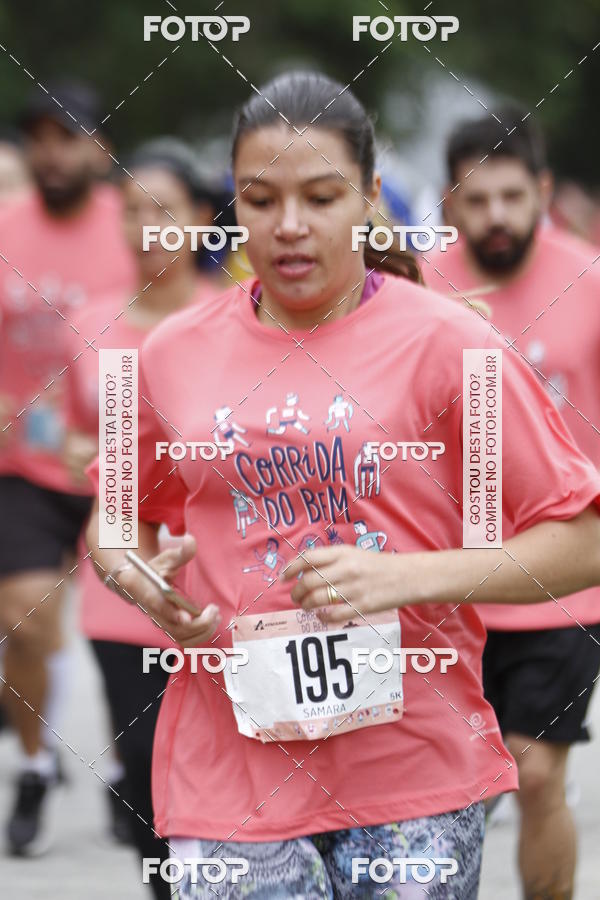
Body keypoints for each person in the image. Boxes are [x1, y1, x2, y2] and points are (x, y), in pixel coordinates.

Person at [85, 73, 600, 899]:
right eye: (261, 200)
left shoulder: (454, 344)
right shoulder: (167, 352)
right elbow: (115, 516)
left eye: (321, 198)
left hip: (411, 772)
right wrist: (137, 576)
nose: (288, 226)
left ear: (369, 196)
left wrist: (406, 577)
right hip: (231, 774)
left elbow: (584, 539)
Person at [425, 107, 600, 900]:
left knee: (533, 773)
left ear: (544, 192)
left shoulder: (590, 282)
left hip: (560, 579)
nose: (495, 215)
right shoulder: (419, 290)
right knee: (445, 794)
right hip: (443, 581)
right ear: (448, 203)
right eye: (476, 199)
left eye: (511, 196)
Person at [64, 138, 219, 898]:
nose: (145, 228)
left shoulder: (233, 319)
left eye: (163, 210)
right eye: (130, 210)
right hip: (120, 586)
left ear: (201, 219)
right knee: (144, 778)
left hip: (217, 584)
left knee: (218, 774)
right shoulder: (90, 323)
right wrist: (78, 456)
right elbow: (73, 435)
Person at [0, 79, 135, 856]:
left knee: (118, 631)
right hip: (23, 461)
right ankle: (35, 763)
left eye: (69, 137)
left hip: (119, 464)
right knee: (23, 614)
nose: (52, 154)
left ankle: (124, 769)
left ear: (101, 149)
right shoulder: (6, 225)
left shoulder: (132, 225)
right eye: (40, 139)